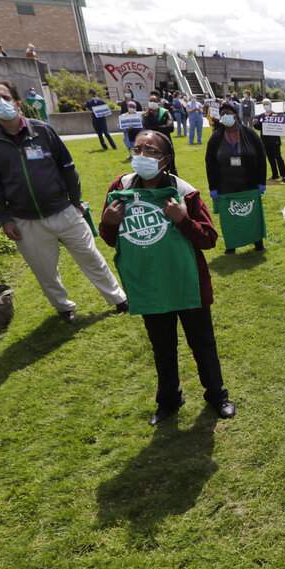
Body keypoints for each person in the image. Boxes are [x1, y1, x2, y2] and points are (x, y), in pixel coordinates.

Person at [99, 130, 237, 425]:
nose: (142, 156)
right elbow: (111, 238)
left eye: (150, 151)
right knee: (162, 348)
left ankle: (217, 395)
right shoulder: (120, 188)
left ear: (166, 160)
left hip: (188, 284)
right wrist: (108, 223)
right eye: (137, 149)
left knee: (203, 344)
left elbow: (209, 239)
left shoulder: (184, 192)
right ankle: (169, 400)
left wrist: (183, 219)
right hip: (151, 286)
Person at [0, 79, 128, 323]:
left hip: (64, 211)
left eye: (5, 97)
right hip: (25, 221)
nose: (1, 102)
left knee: (92, 258)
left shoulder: (43, 130)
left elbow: (68, 167)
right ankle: (64, 307)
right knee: (45, 271)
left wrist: (76, 200)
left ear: (17, 103)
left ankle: (119, 299)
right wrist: (4, 219)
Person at [205, 102, 266, 253]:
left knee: (252, 214)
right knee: (230, 217)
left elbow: (261, 157)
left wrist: (261, 181)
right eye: (222, 114)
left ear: (235, 115)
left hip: (249, 182)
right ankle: (231, 245)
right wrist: (213, 187)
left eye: (228, 113)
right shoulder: (216, 138)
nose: (225, 116)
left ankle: (257, 241)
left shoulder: (250, 133)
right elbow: (210, 163)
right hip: (226, 184)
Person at [255, 98, 285, 183]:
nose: (265, 106)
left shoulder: (276, 115)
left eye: (267, 104)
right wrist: (255, 123)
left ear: (270, 105)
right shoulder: (261, 116)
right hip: (265, 140)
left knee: (278, 157)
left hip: (275, 140)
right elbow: (258, 128)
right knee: (270, 158)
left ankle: (284, 175)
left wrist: (277, 119)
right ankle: (275, 174)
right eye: (264, 104)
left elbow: (282, 126)